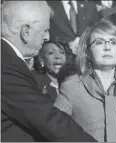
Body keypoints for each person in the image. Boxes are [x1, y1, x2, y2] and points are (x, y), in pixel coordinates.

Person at [1, 1, 97, 141]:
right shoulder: (7, 64)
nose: (47, 37)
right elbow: (46, 119)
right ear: (26, 31)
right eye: (45, 30)